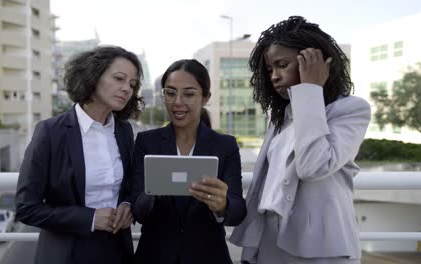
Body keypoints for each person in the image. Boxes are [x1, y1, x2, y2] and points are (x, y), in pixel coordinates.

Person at [230, 16, 371, 264]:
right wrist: (252, 251)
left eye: (282, 65)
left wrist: (310, 90)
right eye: (270, 69)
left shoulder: (350, 110)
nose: (274, 76)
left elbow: (313, 166)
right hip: (271, 243)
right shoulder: (281, 119)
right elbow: (265, 188)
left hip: (320, 248)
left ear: (314, 61)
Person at [15, 46, 144, 264]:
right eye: (119, 79)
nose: (126, 89)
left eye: (132, 84)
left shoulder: (123, 131)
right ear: (92, 77)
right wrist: (91, 218)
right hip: (67, 253)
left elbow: (130, 185)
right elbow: (27, 208)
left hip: (118, 250)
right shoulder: (51, 132)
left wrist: (128, 205)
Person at [129, 59, 247, 264]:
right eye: (170, 92)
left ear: (205, 97)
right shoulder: (146, 142)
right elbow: (137, 210)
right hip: (155, 256)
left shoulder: (225, 146)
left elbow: (237, 211)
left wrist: (222, 205)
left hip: (208, 256)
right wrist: (152, 192)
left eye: (189, 94)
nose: (177, 102)